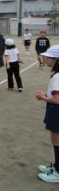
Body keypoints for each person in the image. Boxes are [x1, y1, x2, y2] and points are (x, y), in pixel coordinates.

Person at [35, 45, 59, 183]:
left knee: (57, 140)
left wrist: (43, 97)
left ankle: (58, 172)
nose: (44, 58)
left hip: (56, 111)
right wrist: (46, 95)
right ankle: (56, 166)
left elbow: (57, 99)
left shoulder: (57, 76)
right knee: (55, 139)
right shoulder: (56, 74)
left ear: (56, 59)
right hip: (54, 109)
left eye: (48, 56)